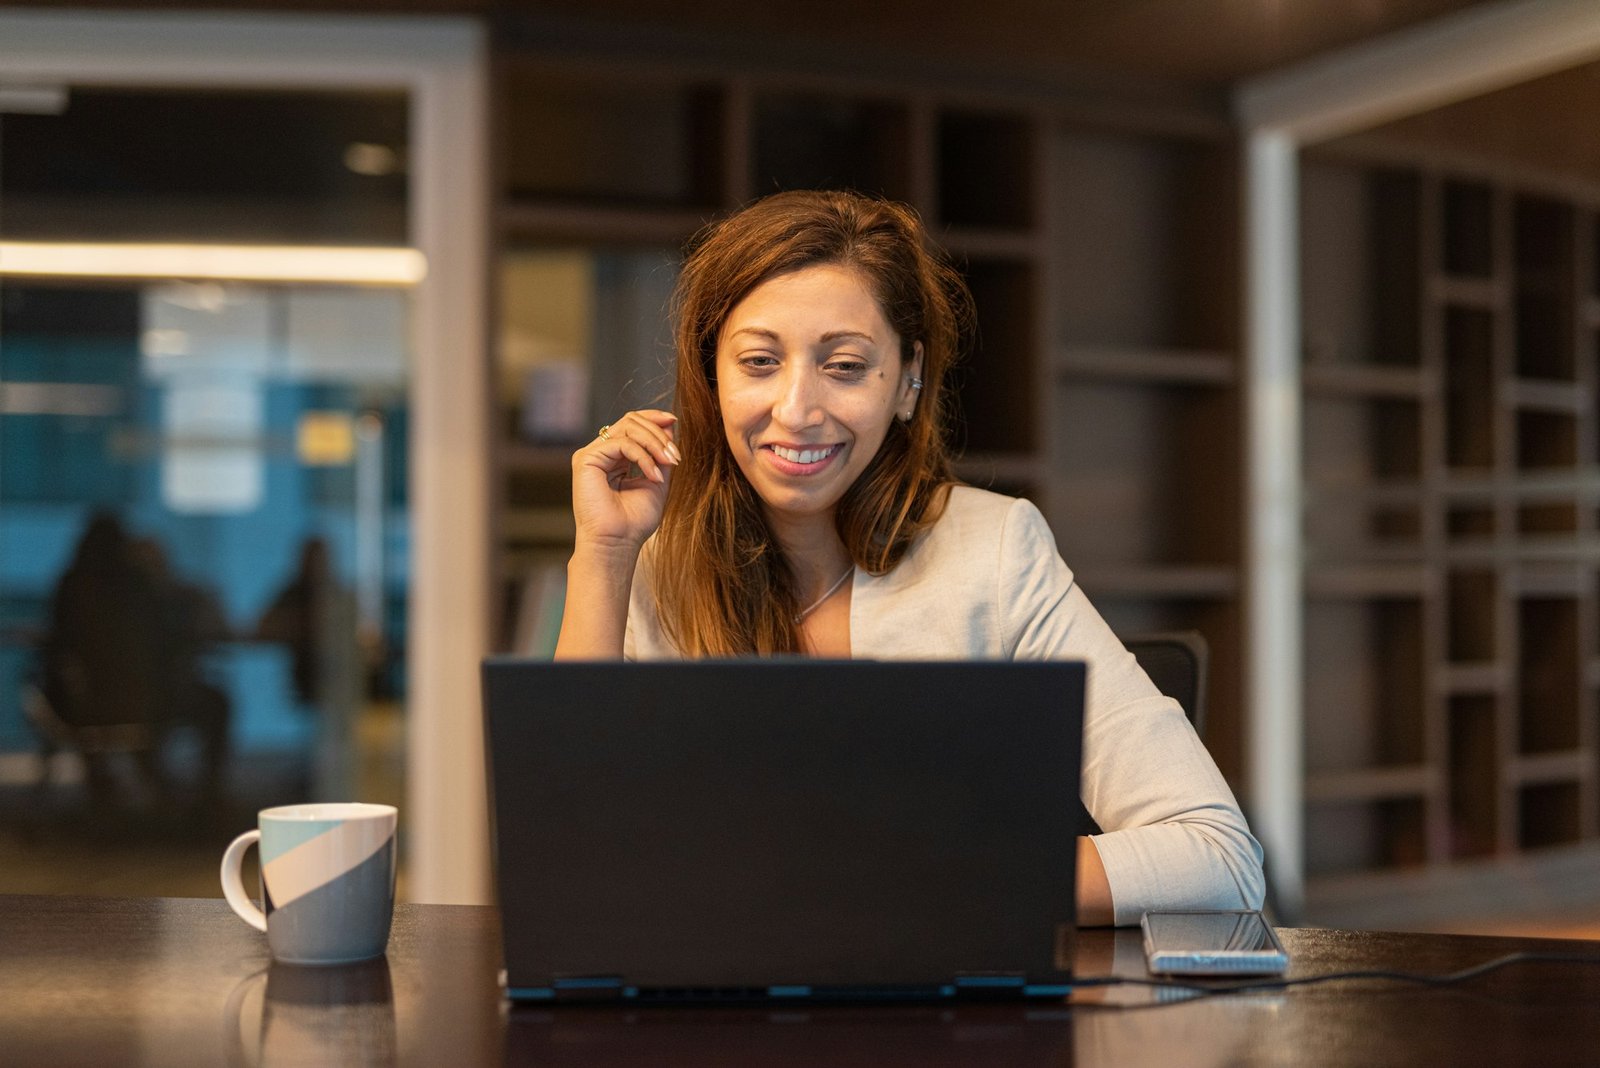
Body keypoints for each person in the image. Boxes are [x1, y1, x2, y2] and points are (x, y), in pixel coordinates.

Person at [554, 189, 1264, 926]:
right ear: (712, 376)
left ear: (907, 380)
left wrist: (910, 878)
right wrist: (604, 553)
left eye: (846, 366)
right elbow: (565, 852)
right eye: (759, 361)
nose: (797, 409)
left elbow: (1216, 855)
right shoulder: (652, 564)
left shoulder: (994, 553)